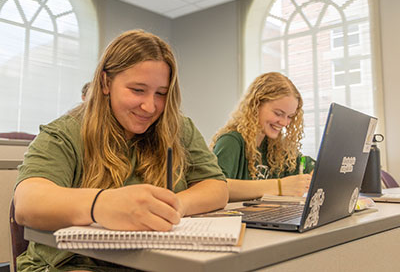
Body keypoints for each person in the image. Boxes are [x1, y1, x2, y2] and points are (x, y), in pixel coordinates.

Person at [14, 29, 228, 272]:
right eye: (137, 90)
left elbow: (216, 186)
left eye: (161, 93)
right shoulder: (65, 133)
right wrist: (101, 205)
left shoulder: (177, 127)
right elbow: (27, 203)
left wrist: (175, 205)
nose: (150, 106)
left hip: (155, 262)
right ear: (106, 83)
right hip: (72, 264)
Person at [210, 72, 314, 202]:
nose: (284, 122)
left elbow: (310, 168)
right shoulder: (231, 141)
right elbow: (215, 187)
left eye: (289, 116)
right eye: (278, 113)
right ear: (256, 105)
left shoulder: (277, 147)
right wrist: (280, 186)